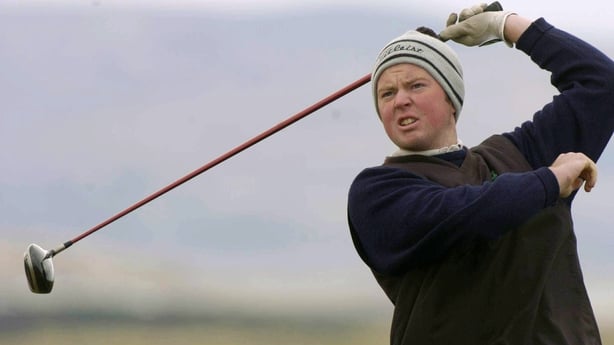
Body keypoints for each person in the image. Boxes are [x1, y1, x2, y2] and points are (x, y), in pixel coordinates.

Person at [347, 3, 614, 344]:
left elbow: (602, 85)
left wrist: (507, 27)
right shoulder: (377, 192)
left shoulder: (518, 155)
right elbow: (464, 213)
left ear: (451, 97)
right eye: (387, 93)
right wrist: (549, 181)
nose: (400, 101)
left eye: (416, 86)